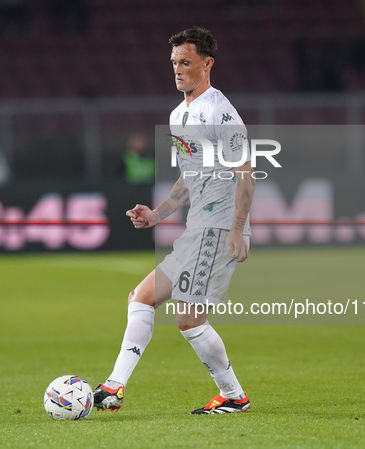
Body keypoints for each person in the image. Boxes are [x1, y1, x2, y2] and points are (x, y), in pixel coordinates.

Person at [93, 27, 255, 414]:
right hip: (196, 228)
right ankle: (114, 387)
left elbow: (246, 174)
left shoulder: (220, 111)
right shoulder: (178, 114)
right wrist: (157, 214)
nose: (178, 70)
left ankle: (233, 396)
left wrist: (236, 230)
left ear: (207, 63)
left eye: (185, 62)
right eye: (174, 63)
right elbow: (190, 175)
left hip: (217, 228)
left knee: (188, 319)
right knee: (141, 298)